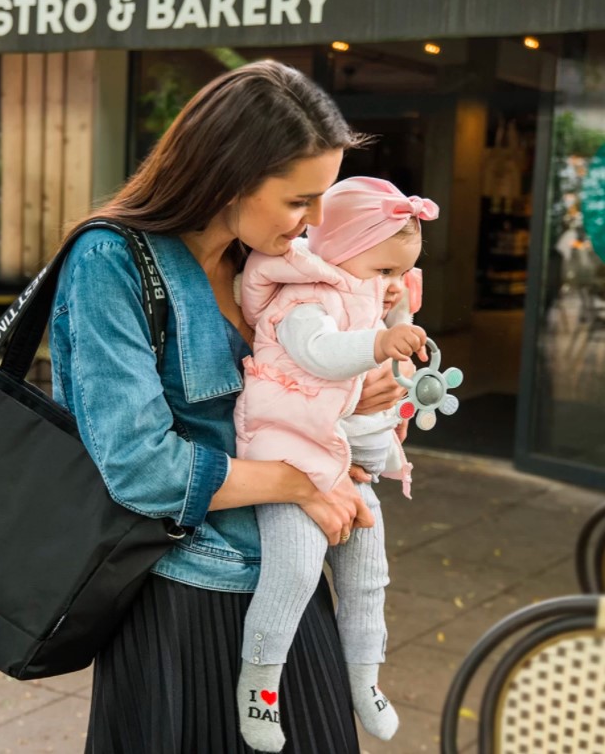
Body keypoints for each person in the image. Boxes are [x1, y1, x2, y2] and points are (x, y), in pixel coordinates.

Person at [49, 61, 407, 753]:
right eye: (300, 200)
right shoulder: (111, 262)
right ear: (229, 178)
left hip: (291, 583)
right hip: (185, 599)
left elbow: (282, 408)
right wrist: (299, 484)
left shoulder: (271, 267)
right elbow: (140, 467)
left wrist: (353, 398)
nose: (316, 221)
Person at [233, 176, 438, 750]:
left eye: (401, 273)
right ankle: (260, 687)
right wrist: (379, 345)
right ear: (344, 251)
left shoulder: (366, 294)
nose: (393, 284)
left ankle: (365, 678)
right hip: (290, 458)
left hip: (341, 464)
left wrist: (397, 336)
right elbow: (322, 356)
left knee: (369, 579)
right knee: (295, 573)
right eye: (384, 271)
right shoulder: (303, 297)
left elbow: (389, 361)